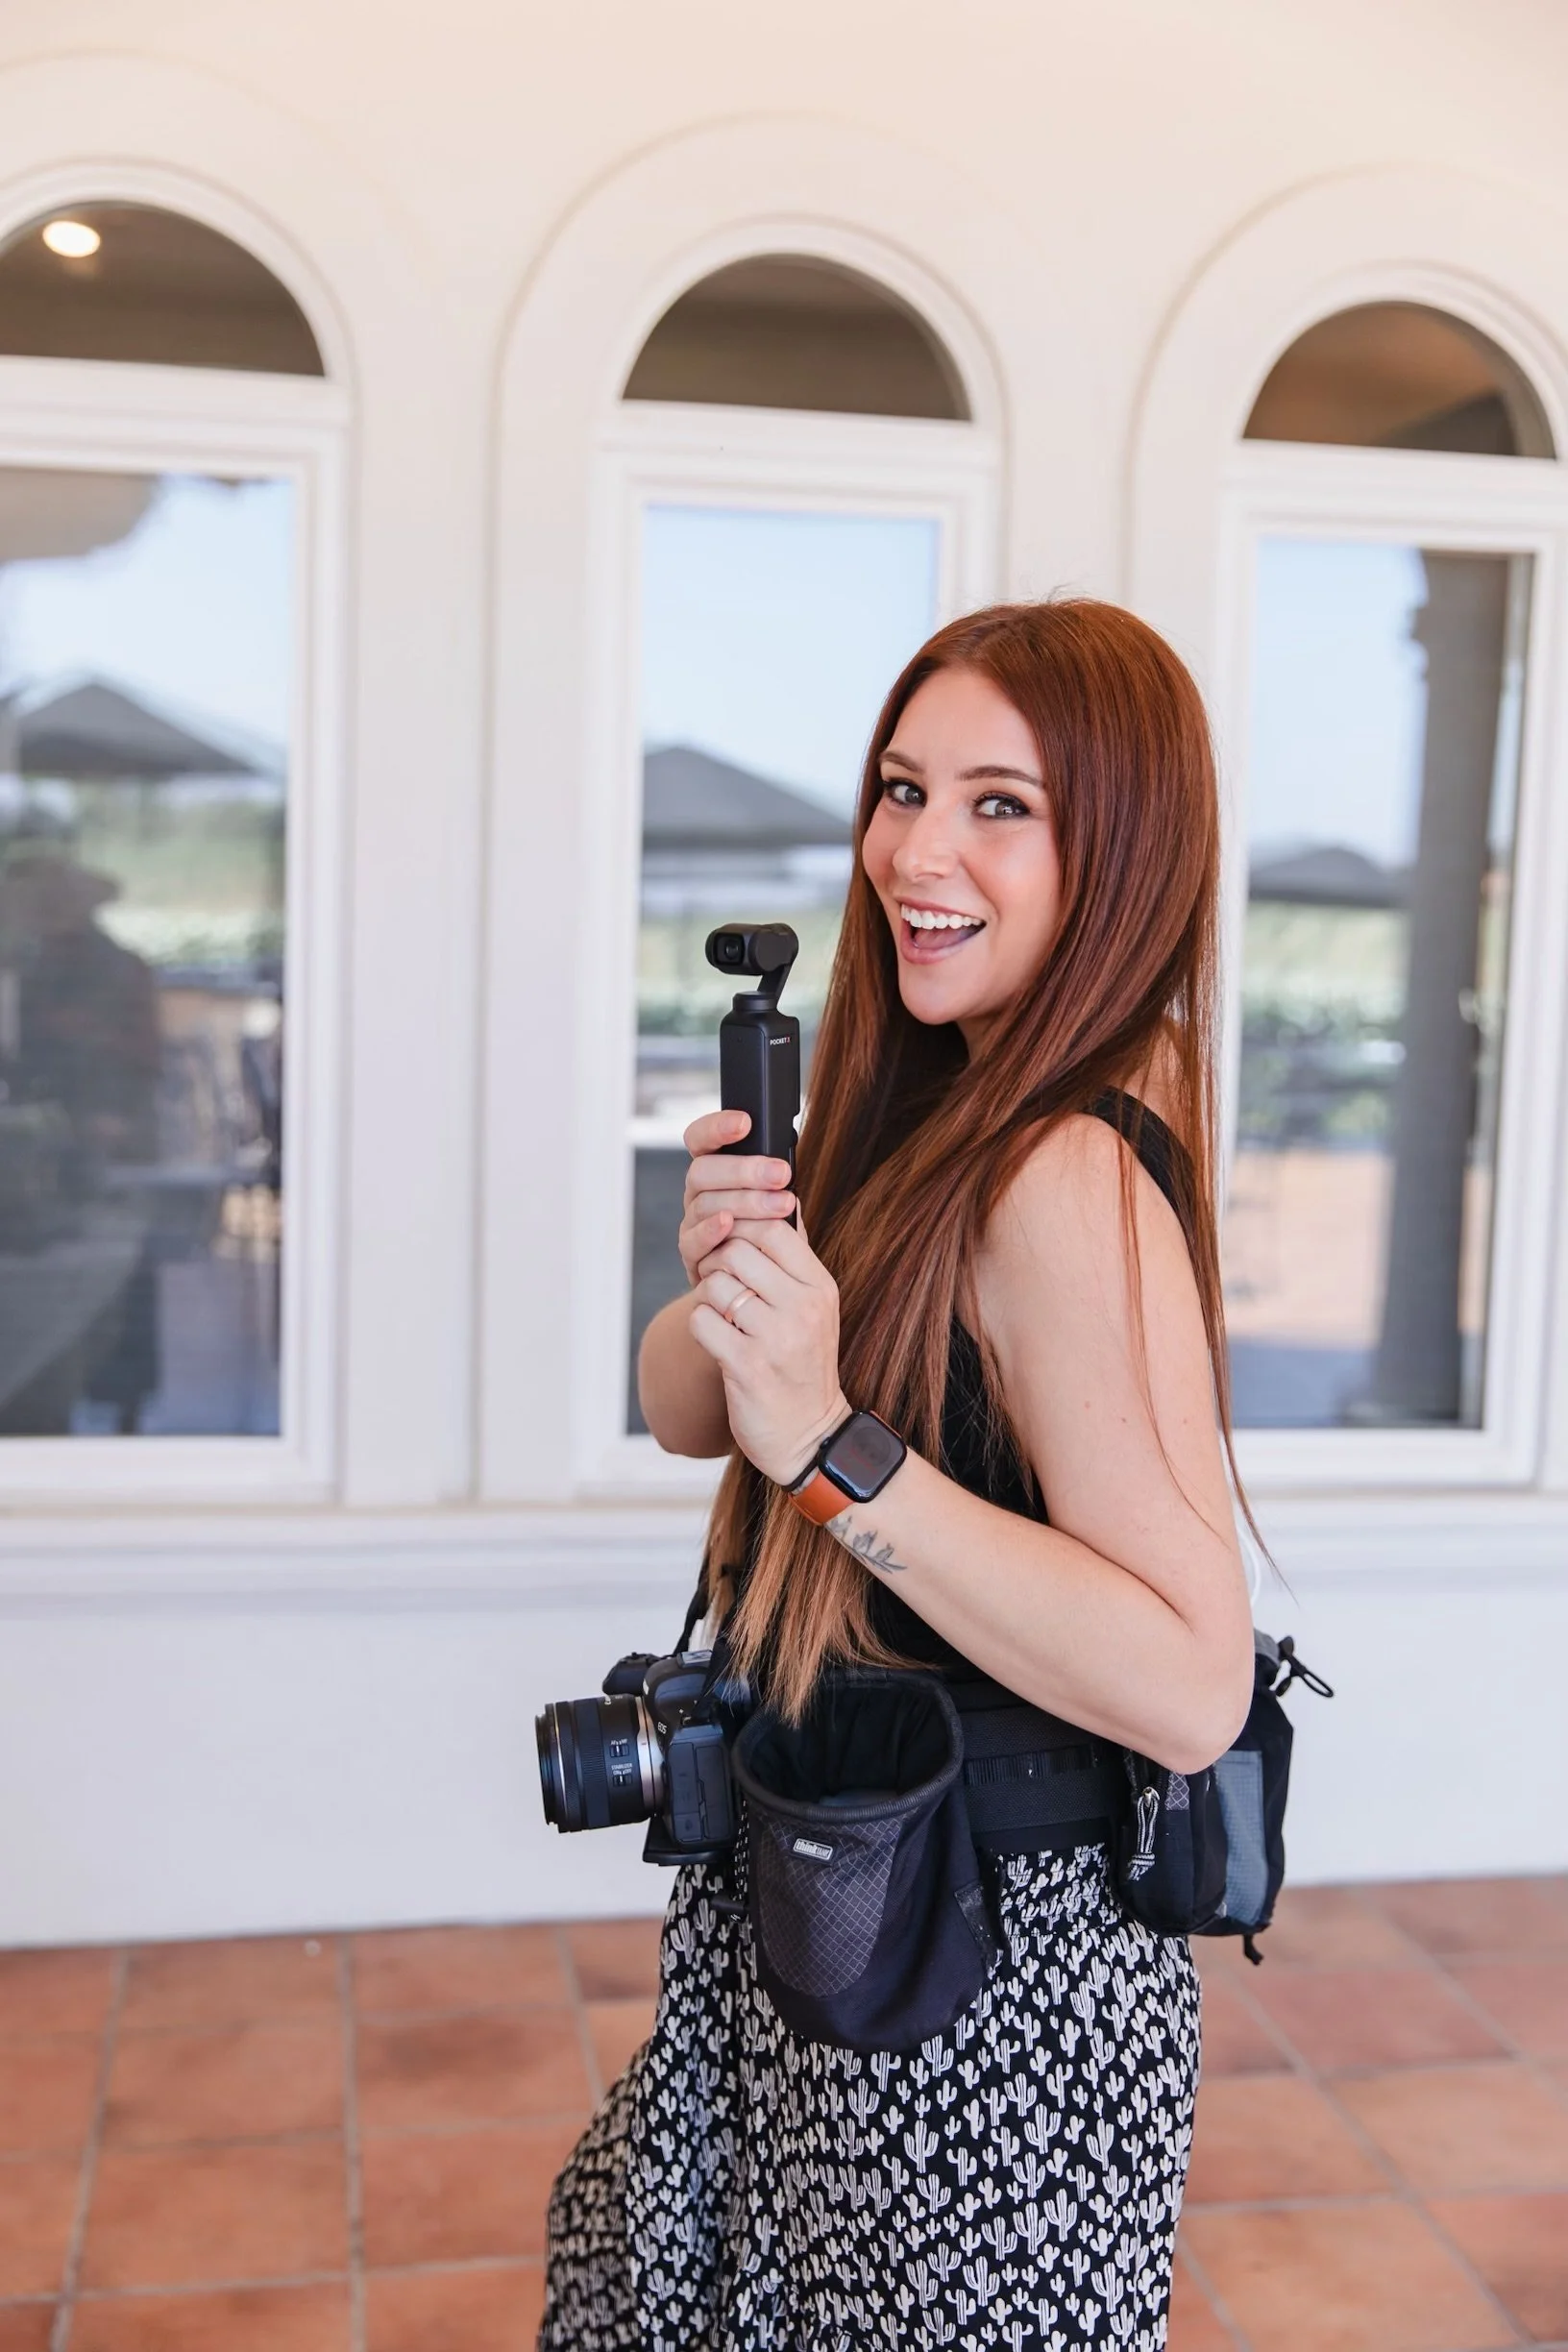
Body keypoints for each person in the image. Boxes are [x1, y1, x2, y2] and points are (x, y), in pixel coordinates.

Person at [542, 601, 1257, 2351]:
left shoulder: (1056, 1177)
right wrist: (732, 1278)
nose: (917, 853)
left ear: (1122, 851)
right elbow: (682, 1408)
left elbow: (1187, 1683)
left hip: (976, 2009)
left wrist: (835, 1451)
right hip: (844, 1917)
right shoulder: (917, 1105)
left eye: (1000, 805)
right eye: (901, 787)